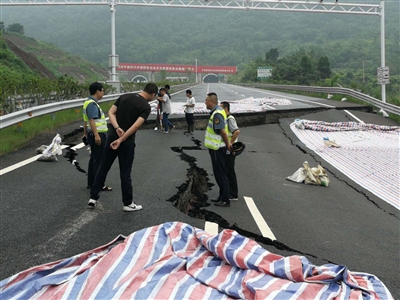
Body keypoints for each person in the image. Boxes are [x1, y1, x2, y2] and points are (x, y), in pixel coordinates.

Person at [87, 83, 158, 212]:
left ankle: (93, 197)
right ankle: (128, 203)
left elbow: (111, 113)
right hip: (126, 142)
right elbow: (135, 126)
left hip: (111, 137)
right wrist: (121, 139)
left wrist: (117, 128)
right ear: (153, 94)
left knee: (103, 168)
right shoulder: (145, 107)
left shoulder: (124, 96)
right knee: (125, 173)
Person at [82, 82, 112, 192]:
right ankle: (98, 184)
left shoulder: (89, 102)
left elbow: (86, 121)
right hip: (98, 134)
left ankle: (92, 183)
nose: (103, 93)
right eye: (102, 91)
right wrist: (96, 135)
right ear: (97, 91)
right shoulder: (92, 104)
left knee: (94, 159)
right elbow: (91, 120)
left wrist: (85, 134)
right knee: (99, 160)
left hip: (93, 134)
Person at [204, 93, 232, 207]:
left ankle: (225, 199)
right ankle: (221, 196)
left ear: (211, 102)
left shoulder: (217, 114)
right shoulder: (218, 112)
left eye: (206, 100)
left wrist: (228, 144)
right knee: (219, 173)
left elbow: (223, 132)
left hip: (217, 148)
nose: (205, 102)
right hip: (216, 147)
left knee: (220, 174)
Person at [221, 101, 240, 201]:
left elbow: (236, 131)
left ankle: (233, 194)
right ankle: (228, 191)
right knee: (226, 171)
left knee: (230, 171)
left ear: (226, 109)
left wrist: (230, 143)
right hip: (225, 149)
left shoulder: (230, 119)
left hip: (230, 150)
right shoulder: (224, 119)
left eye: (221, 108)